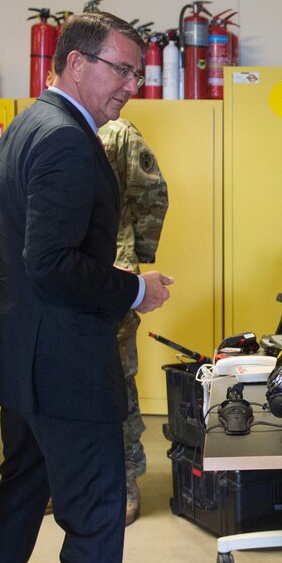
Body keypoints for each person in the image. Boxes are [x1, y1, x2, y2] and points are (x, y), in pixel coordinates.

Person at [0, 11, 174, 563]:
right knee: (97, 513)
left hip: (20, 355)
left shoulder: (27, 124)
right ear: (76, 63)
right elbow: (52, 262)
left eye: (138, 73)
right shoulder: (67, 140)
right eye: (122, 71)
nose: (132, 86)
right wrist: (136, 288)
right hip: (64, 364)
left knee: (22, 487)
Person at [99, 117, 169, 525]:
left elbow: (152, 192)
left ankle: (124, 480)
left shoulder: (117, 133)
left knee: (117, 380)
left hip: (112, 271)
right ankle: (72, 480)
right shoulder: (51, 124)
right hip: (65, 274)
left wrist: (137, 252)